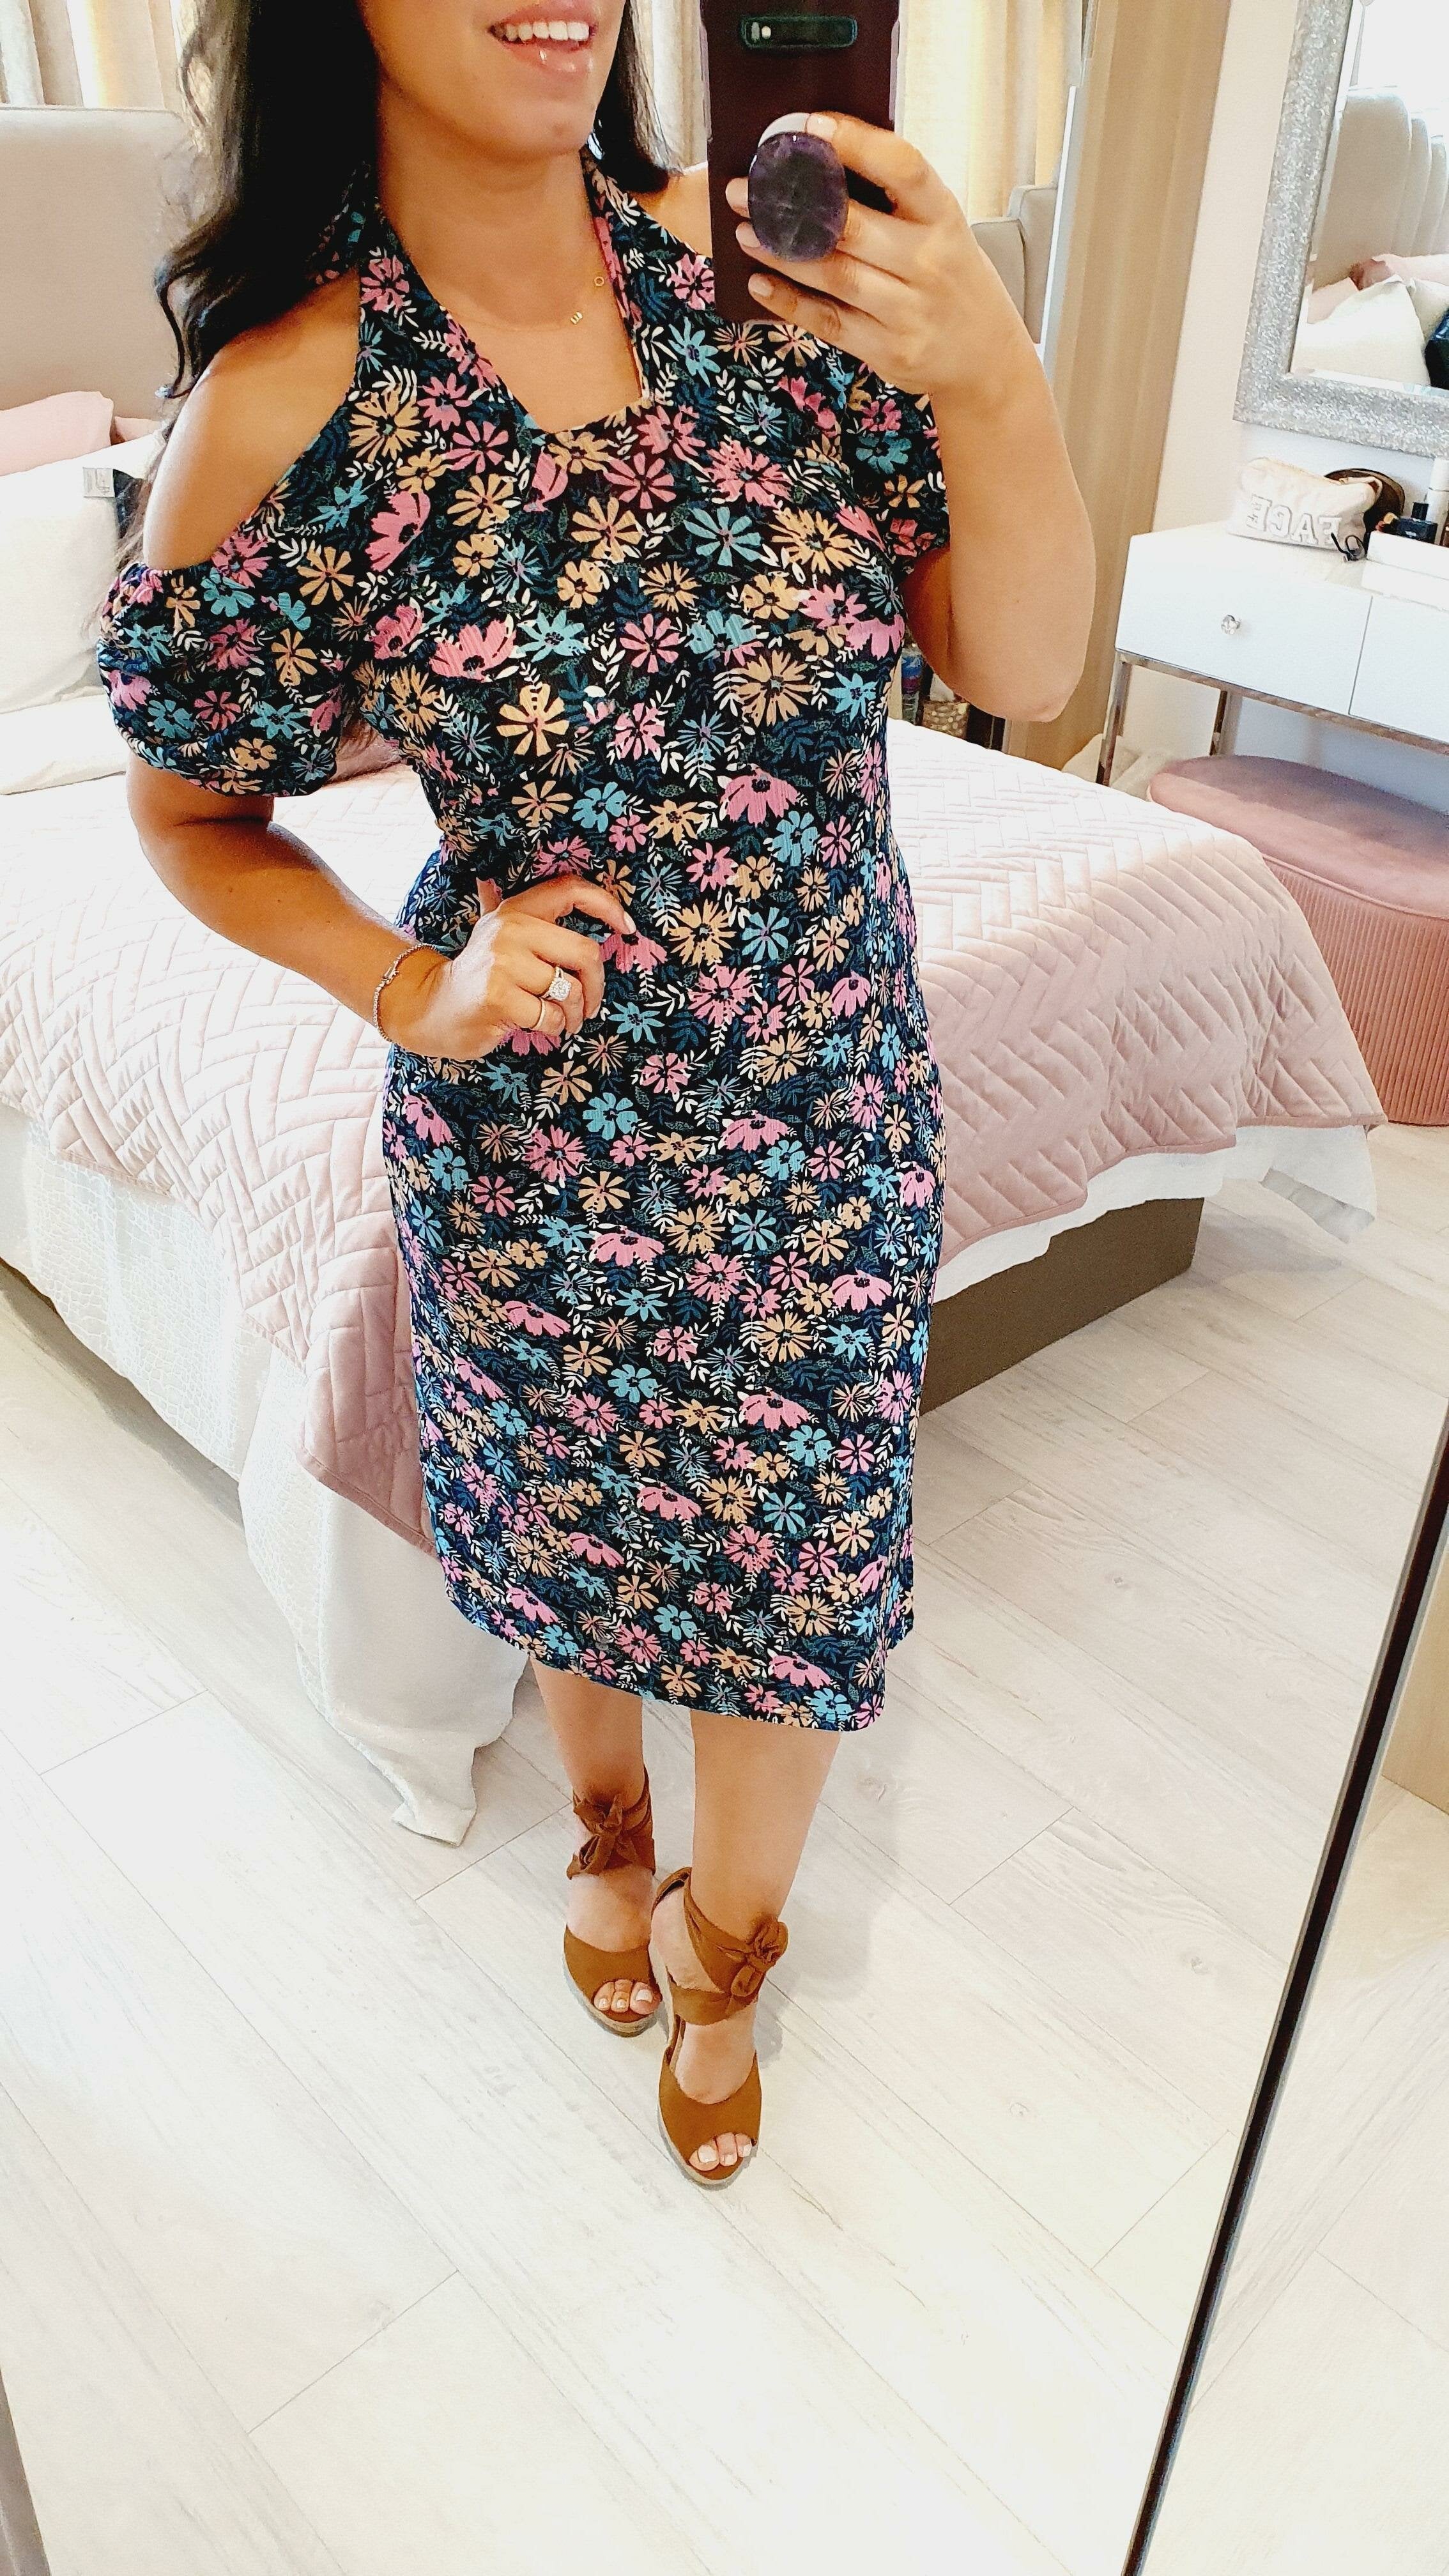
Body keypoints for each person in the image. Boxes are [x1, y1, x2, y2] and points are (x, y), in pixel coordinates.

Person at [100, 0, 1093, 2187]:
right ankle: (608, 1827)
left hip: (821, 1112)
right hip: (535, 1149)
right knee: (569, 1535)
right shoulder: (292, 401)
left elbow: (1024, 671)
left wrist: (992, 373)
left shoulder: (774, 285)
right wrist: (408, 985)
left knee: (787, 1590)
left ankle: (728, 1956)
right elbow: (185, 814)